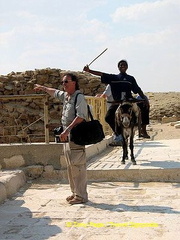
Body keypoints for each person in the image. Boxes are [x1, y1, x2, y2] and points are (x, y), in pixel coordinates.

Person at [34, 73, 88, 205]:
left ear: (74, 82)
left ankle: (81, 195)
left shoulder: (78, 97)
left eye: (66, 82)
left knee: (78, 166)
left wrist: (68, 129)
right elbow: (55, 92)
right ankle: (75, 192)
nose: (64, 84)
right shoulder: (67, 96)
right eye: (63, 82)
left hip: (76, 136)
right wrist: (43, 88)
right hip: (67, 137)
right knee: (71, 166)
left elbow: (80, 116)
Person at [83, 59, 148, 142]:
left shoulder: (130, 79)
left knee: (144, 107)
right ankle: (119, 134)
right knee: (108, 117)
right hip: (117, 102)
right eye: (121, 65)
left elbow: (138, 89)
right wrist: (89, 71)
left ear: (127, 67)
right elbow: (101, 74)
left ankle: (143, 130)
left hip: (128, 102)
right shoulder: (114, 78)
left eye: (124, 65)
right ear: (118, 67)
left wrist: (144, 98)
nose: (122, 66)